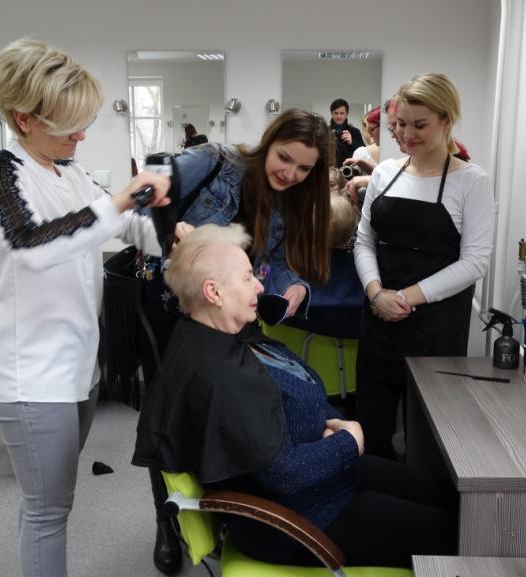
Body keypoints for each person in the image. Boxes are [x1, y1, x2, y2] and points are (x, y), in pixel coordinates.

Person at [132, 224, 458, 569]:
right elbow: (286, 474)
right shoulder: (223, 379)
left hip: (326, 477)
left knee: (455, 499)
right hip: (301, 521)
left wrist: (331, 426)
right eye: (247, 277)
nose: (260, 286)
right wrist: (349, 440)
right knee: (462, 531)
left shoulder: (223, 332)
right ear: (214, 292)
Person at [0, 37, 171, 577]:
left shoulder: (71, 172)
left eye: (84, 123)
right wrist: (124, 197)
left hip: (77, 368)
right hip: (31, 376)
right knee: (48, 512)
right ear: (24, 118)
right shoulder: (2, 176)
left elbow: (123, 224)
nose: (81, 135)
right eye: (68, 126)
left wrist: (179, 235)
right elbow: (35, 244)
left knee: (44, 505)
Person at [354, 73, 494, 459]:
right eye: (400, 124)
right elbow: (364, 241)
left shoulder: (472, 181)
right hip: (379, 320)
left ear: (447, 121)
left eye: (419, 125)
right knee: (372, 431)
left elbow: (475, 262)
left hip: (437, 327)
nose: (406, 134)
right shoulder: (384, 173)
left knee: (430, 442)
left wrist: (404, 298)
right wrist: (376, 293)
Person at [140, 108, 333, 357]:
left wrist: (294, 286)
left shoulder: (292, 203)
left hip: (227, 321)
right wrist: (166, 228)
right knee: (170, 379)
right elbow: (138, 203)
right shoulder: (212, 161)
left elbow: (276, 261)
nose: (290, 174)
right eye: (284, 158)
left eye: (304, 168)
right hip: (170, 308)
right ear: (269, 142)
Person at [330, 98, 365, 167]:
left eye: (342, 113)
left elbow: (364, 153)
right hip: (329, 169)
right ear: (331, 113)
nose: (339, 116)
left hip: (350, 169)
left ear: (347, 114)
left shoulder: (355, 131)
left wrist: (352, 142)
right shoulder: (325, 131)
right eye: (336, 113)